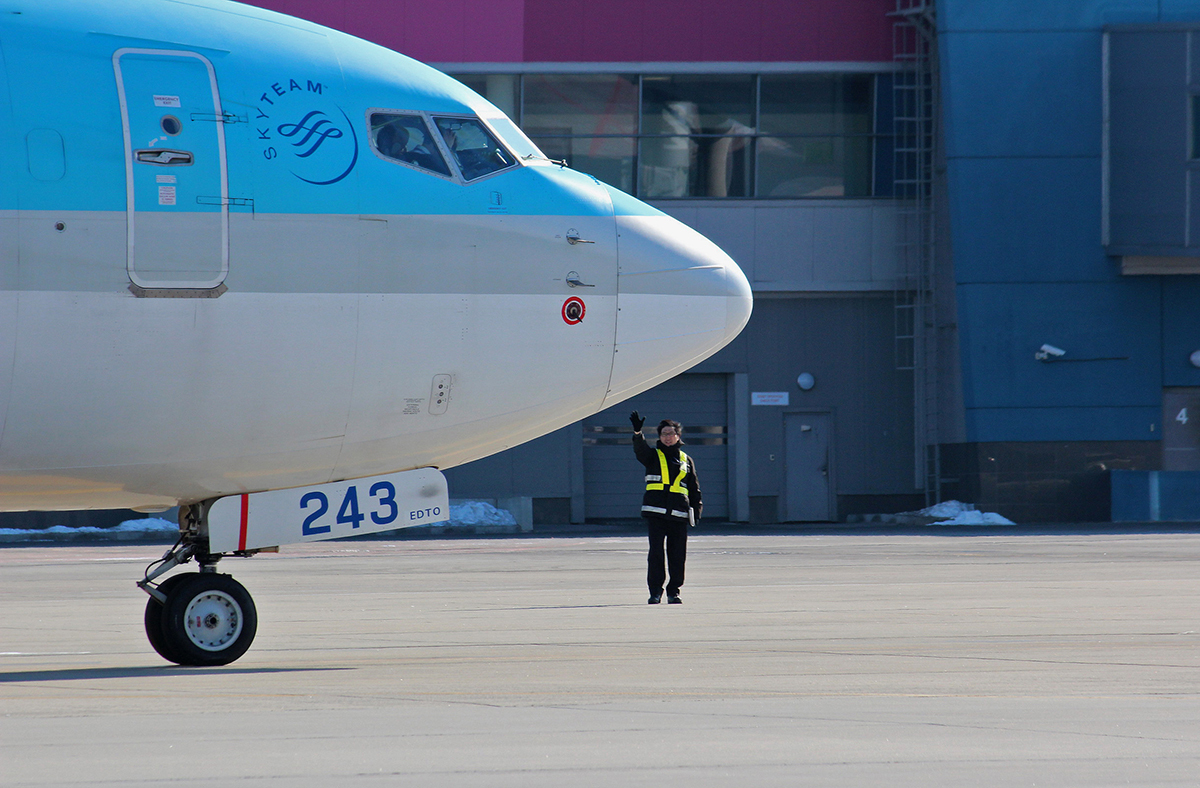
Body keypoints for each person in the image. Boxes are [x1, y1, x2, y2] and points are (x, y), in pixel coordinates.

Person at [630, 410, 702, 604]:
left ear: (678, 436)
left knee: (677, 555)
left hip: (679, 513)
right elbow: (640, 451)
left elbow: (694, 488)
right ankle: (655, 592)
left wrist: (696, 510)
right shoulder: (652, 456)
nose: (668, 437)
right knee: (656, 554)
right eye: (664, 434)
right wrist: (638, 434)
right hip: (656, 513)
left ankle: (674, 591)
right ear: (659, 437)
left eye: (671, 434)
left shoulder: (687, 460)